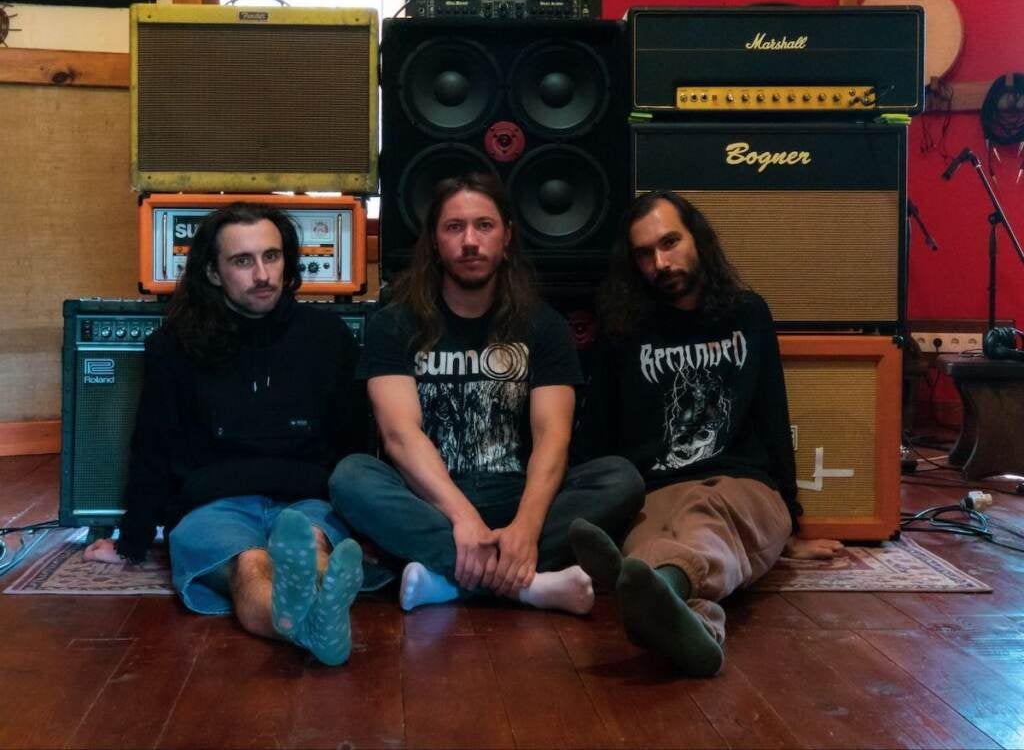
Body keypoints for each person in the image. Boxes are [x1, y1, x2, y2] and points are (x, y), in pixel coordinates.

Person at [330, 173, 644, 615]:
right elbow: (399, 435)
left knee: (620, 478)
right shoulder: (394, 325)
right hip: (431, 503)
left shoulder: (543, 326)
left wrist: (527, 529)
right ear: (435, 242)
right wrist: (462, 518)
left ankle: (448, 579)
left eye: (484, 225)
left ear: (507, 236)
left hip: (518, 497)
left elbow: (554, 437)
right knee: (351, 477)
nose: (470, 241)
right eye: (454, 227)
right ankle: (526, 585)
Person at [570, 190, 842, 676]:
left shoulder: (748, 314)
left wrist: (793, 528)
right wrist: (595, 503)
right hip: (656, 489)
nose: (660, 261)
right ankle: (695, 624)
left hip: (743, 486)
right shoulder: (622, 331)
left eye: (670, 242)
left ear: (698, 239)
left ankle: (656, 587)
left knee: (703, 514)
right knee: (649, 542)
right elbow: (597, 430)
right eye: (645, 254)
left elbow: (773, 418)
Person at [84, 202, 369, 666]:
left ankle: (309, 624)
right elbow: (151, 443)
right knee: (250, 565)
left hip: (307, 499)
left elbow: (355, 439)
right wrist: (132, 540)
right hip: (211, 504)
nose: (262, 274)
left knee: (311, 547)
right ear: (214, 273)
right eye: (243, 261)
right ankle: (311, 628)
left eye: (272, 257)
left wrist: (368, 523)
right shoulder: (174, 345)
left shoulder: (328, 336)